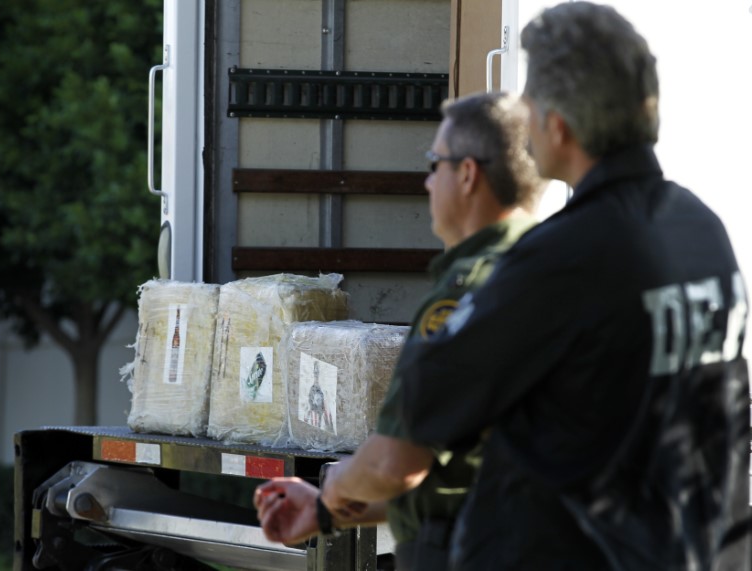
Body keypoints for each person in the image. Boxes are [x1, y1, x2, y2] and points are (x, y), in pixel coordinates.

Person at [393, 2, 751, 570]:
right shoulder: (701, 228)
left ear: (557, 127)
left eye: (531, 106)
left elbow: (429, 395)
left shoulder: (563, 256)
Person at [253, 91, 545, 570]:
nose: (428, 183)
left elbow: (396, 465)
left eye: (435, 164)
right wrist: (326, 512)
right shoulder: (555, 273)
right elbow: (472, 478)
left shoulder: (469, 292)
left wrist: (336, 486)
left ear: (468, 174)